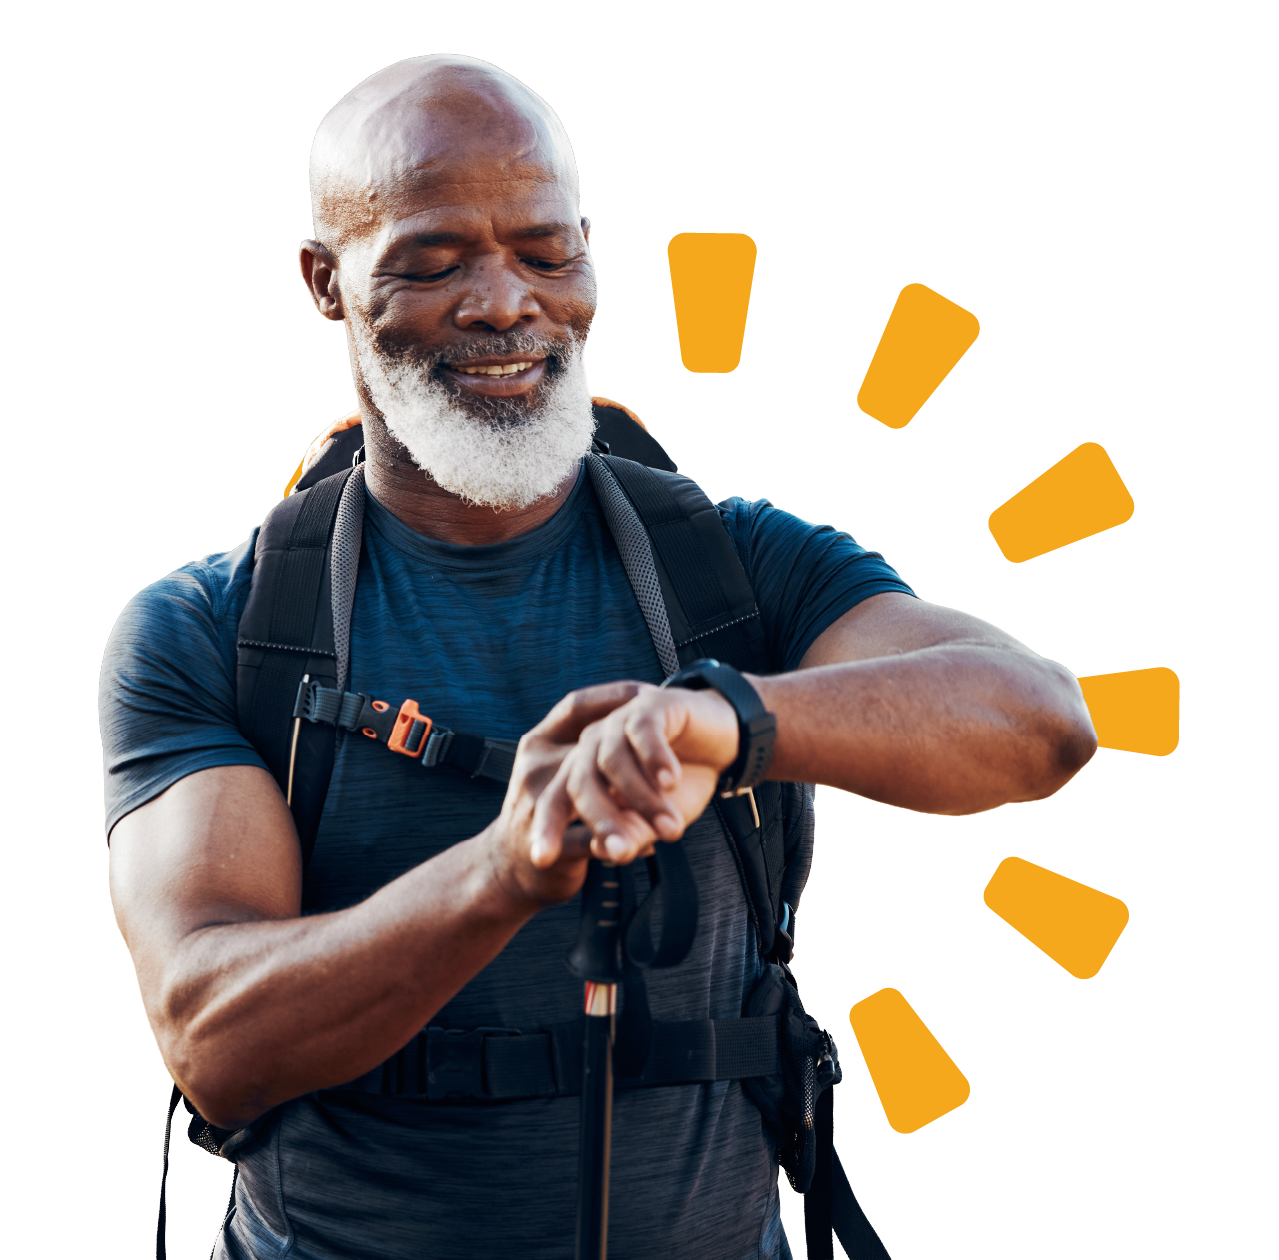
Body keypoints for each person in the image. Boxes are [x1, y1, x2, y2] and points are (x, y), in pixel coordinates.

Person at [101, 55, 1097, 1260]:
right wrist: (506, 870)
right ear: (325, 282)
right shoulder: (210, 627)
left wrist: (722, 722)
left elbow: (1040, 724)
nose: (503, 301)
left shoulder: (735, 574)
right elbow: (214, 1041)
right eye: (432, 260)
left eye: (544, 250)